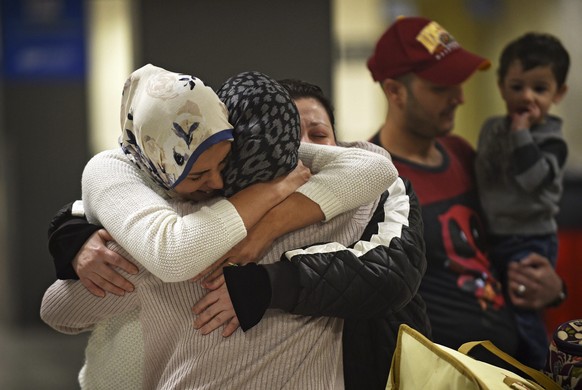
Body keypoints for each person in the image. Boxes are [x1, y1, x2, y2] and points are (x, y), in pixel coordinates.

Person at [41, 66, 398, 388]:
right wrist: (72, 233)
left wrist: (264, 235)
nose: (214, 182)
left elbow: (57, 309)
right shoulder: (349, 205)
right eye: (197, 173)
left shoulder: (181, 235)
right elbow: (377, 169)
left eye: (224, 162)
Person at [190, 78, 432, 389]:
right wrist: (104, 231)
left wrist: (265, 283)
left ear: (338, 143)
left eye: (318, 135)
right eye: (290, 138)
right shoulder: (235, 190)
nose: (305, 150)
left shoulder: (381, 187)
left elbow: (393, 272)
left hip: (376, 369)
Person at [366, 16, 566, 363]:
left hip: (514, 360)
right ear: (395, 91)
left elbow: (510, 238)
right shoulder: (374, 177)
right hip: (445, 371)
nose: (459, 98)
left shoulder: (460, 153)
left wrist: (553, 289)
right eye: (441, 88)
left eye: (458, 83)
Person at [474, 32, 570, 369]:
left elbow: (531, 179)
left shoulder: (553, 142)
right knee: (495, 310)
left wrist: (520, 131)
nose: (526, 96)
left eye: (540, 89)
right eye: (517, 87)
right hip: (493, 235)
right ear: (501, 87)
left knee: (523, 311)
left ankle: (538, 372)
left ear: (558, 93)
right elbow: (483, 175)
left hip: (529, 238)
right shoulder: (490, 129)